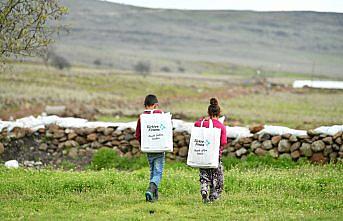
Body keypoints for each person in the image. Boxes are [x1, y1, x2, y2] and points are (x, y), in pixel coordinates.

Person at [194, 98, 227, 203]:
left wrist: (203, 120)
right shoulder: (221, 126)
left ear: (208, 112)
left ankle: (204, 188)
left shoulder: (201, 123)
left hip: (202, 154)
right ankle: (214, 195)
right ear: (219, 113)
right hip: (215, 156)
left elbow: (196, 125)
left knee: (204, 174)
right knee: (217, 177)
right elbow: (223, 142)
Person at [135, 94, 165, 202]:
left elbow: (137, 135)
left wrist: (144, 144)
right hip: (159, 148)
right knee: (158, 172)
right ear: (155, 105)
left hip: (148, 148)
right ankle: (151, 189)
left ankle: (153, 197)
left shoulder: (142, 117)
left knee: (153, 170)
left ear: (145, 105)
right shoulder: (161, 115)